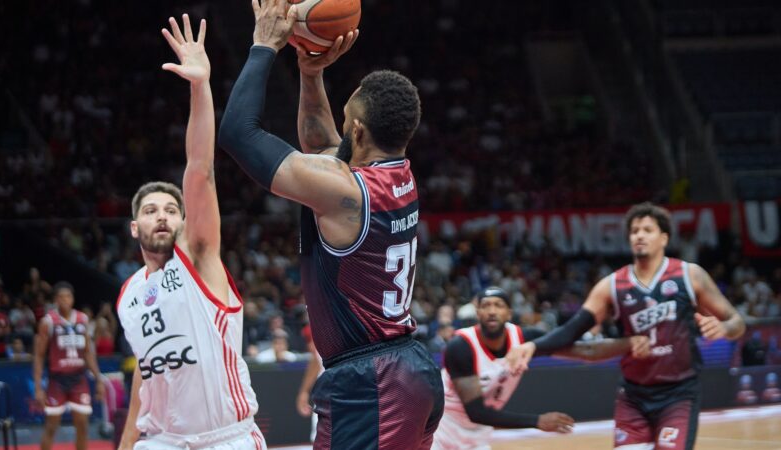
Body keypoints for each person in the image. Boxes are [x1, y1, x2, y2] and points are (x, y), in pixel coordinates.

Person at [218, 1, 444, 448]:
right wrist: (309, 73)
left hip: (373, 384)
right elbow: (324, 147)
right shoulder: (397, 175)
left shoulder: (346, 192)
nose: (340, 131)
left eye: (346, 122)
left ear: (357, 132)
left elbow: (237, 134)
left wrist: (264, 46)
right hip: (404, 371)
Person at [115, 15, 264, 450]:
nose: (161, 216)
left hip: (226, 439)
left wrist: (200, 88)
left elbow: (199, 171)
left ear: (183, 223)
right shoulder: (128, 296)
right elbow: (146, 379)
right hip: (161, 440)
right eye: (149, 210)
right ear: (133, 227)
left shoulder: (197, 259)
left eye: (170, 209)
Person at [510, 202, 746, 450]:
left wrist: (725, 329)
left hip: (679, 394)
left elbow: (737, 321)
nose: (639, 235)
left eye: (647, 230)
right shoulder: (612, 285)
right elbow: (572, 331)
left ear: (664, 238)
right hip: (634, 396)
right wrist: (534, 346)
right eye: (634, 231)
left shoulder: (689, 275)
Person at [433, 287, 649, 450]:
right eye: (486, 306)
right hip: (442, 429)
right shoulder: (460, 346)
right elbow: (477, 413)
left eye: (498, 305)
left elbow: (587, 350)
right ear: (477, 313)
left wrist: (630, 343)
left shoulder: (525, 339)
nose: (492, 311)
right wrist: (538, 421)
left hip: (478, 436)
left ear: (509, 313)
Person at [33, 281, 106, 450]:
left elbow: (88, 352)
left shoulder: (83, 319)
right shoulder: (48, 322)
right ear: (55, 301)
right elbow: (39, 355)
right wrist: (38, 387)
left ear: (73, 298)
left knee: (82, 426)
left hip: (78, 378)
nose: (65, 300)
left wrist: (99, 379)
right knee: (51, 426)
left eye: (68, 296)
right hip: (57, 379)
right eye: (61, 297)